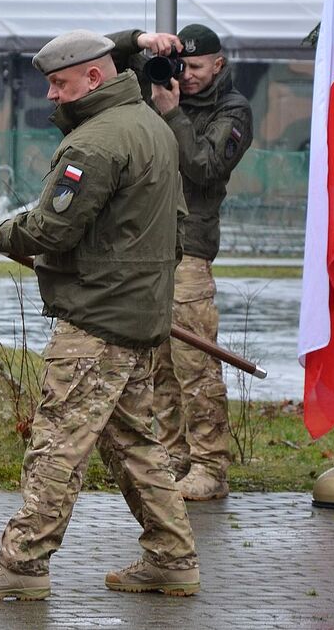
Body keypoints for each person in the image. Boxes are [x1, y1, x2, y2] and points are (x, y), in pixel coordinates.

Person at [0, 30, 199, 601]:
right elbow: (179, 230)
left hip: (96, 318)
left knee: (57, 445)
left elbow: (51, 228)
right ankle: (172, 555)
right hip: (137, 314)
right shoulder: (154, 130)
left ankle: (23, 562)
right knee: (133, 442)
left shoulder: (94, 144)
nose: (53, 96)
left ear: (94, 77)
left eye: (60, 84)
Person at [109, 24, 253, 500]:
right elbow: (101, 58)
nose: (185, 76)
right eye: (181, 66)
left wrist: (172, 114)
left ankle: (211, 466)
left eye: (195, 67)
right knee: (159, 364)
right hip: (147, 246)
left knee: (195, 363)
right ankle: (174, 457)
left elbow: (205, 166)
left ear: (218, 65)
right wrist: (141, 41)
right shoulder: (157, 85)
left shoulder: (233, 111)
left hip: (189, 249)